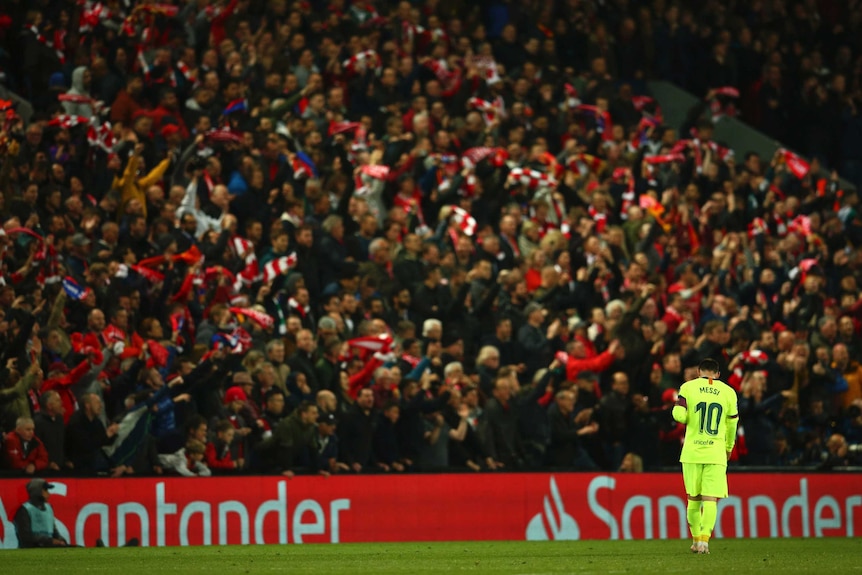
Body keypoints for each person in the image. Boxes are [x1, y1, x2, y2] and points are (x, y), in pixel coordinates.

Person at [672, 358, 739, 555]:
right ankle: (705, 542)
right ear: (718, 374)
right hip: (716, 452)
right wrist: (728, 447)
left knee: (693, 499)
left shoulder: (688, 387)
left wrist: (684, 416)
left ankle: (694, 540)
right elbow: (733, 424)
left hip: (692, 452)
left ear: (699, 372)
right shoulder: (728, 392)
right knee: (710, 499)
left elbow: (679, 415)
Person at [13, 478, 67, 548]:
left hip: (48, 548)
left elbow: (53, 531)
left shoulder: (49, 508)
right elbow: (25, 536)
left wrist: (61, 540)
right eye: (45, 490)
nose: (49, 494)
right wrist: (49, 541)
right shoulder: (24, 510)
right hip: (30, 550)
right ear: (37, 491)